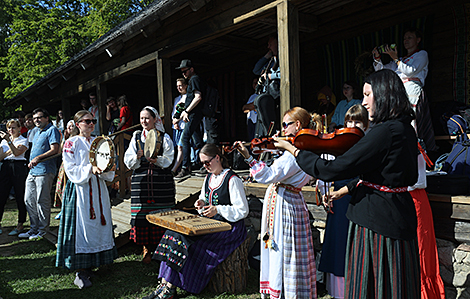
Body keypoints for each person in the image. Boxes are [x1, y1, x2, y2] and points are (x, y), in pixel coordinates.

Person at [276, 69, 420, 298]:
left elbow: (331, 169)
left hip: (377, 223)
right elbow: (387, 175)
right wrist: (349, 188)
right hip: (399, 213)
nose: (364, 102)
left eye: (367, 95)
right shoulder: (405, 128)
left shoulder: (384, 131)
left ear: (383, 94)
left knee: (373, 286)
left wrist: (295, 150)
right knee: (397, 285)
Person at [146, 143, 248, 299]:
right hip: (211, 225)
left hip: (229, 229)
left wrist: (218, 209)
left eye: (207, 162)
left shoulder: (232, 179)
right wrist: (200, 204)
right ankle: (164, 283)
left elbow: (242, 210)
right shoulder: (209, 177)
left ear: (218, 158)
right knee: (172, 233)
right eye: (202, 163)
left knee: (183, 240)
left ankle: (170, 289)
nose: (205, 166)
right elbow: (203, 199)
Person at [235, 107, 317, 299]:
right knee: (278, 245)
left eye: (286, 125)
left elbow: (270, 175)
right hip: (285, 200)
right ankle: (280, 288)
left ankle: (286, 291)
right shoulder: (298, 151)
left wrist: (248, 157)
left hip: (285, 204)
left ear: (297, 125)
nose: (283, 130)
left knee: (283, 248)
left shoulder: (295, 154)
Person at [55, 110, 117, 289]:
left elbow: (109, 165)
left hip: (98, 189)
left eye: (93, 121)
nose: (91, 124)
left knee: (98, 224)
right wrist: (90, 169)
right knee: (82, 227)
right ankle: (80, 270)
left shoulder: (100, 141)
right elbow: (70, 168)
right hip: (80, 190)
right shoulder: (71, 143)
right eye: (87, 121)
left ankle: (95, 263)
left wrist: (105, 170)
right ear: (77, 124)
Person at [318, 104, 369, 299]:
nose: (352, 125)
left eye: (357, 121)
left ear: (365, 124)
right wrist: (328, 189)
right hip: (338, 202)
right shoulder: (339, 145)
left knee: (354, 246)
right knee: (338, 244)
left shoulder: (368, 144)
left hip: (358, 199)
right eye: (349, 121)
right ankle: (339, 291)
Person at [124, 106, 175, 264]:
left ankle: (162, 247)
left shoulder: (164, 136)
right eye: (141, 118)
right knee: (142, 216)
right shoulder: (137, 136)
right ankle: (146, 248)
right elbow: (128, 159)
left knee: (163, 215)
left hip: (161, 181)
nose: (144, 121)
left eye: (147, 118)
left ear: (155, 119)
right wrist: (137, 157)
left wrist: (157, 160)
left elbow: (169, 158)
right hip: (142, 181)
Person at [372, 27, 436, 152]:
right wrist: (377, 58)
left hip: (412, 91)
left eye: (410, 37)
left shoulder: (422, 54)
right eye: (404, 38)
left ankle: (416, 153)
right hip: (399, 94)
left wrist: (395, 58)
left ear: (418, 40)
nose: (406, 40)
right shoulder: (401, 60)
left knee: (411, 125)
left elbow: (410, 71)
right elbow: (381, 71)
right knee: (399, 124)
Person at [19, 108, 61, 240]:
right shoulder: (35, 131)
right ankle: (34, 229)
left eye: (39, 117)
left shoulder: (52, 130)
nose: (36, 120)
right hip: (33, 171)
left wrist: (38, 158)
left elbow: (55, 149)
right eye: (35, 117)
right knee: (28, 200)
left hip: (45, 170)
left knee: (41, 200)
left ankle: (43, 230)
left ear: (47, 118)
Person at [174, 59, 205, 180]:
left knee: (185, 139)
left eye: (185, 71)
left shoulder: (194, 79)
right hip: (191, 114)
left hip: (193, 114)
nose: (184, 74)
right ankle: (205, 163)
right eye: (182, 72)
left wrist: (187, 111)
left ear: (191, 69)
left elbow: (198, 97)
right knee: (197, 141)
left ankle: (185, 167)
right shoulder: (193, 80)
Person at [0, 119, 29, 236]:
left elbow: (17, 153)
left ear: (19, 129)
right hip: (6, 167)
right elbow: (0, 156)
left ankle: (20, 223)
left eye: (14, 128)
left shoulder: (23, 140)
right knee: (2, 195)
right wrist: (8, 150)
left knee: (19, 195)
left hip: (18, 167)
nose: (11, 130)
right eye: (9, 128)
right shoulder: (3, 142)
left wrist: (10, 144)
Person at [253, 35, 280, 138]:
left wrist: (270, 76)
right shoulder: (271, 61)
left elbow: (286, 74)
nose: (268, 47)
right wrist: (266, 56)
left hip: (277, 97)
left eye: (270, 44)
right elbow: (256, 70)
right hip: (268, 96)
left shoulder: (283, 59)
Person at [54, 120, 75, 219]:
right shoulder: (67, 138)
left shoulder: (78, 138)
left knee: (68, 189)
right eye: (68, 126)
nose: (70, 128)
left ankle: (67, 209)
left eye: (72, 126)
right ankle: (62, 209)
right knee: (61, 188)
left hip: (73, 166)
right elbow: (59, 151)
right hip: (64, 165)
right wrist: (64, 139)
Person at [171, 78, 188, 175]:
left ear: (185, 86)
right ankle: (178, 167)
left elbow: (186, 112)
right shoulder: (177, 99)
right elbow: (174, 112)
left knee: (181, 147)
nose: (179, 88)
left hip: (184, 125)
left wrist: (178, 120)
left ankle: (175, 169)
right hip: (176, 127)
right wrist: (174, 122)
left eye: (180, 85)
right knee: (177, 147)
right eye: (177, 86)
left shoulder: (188, 97)